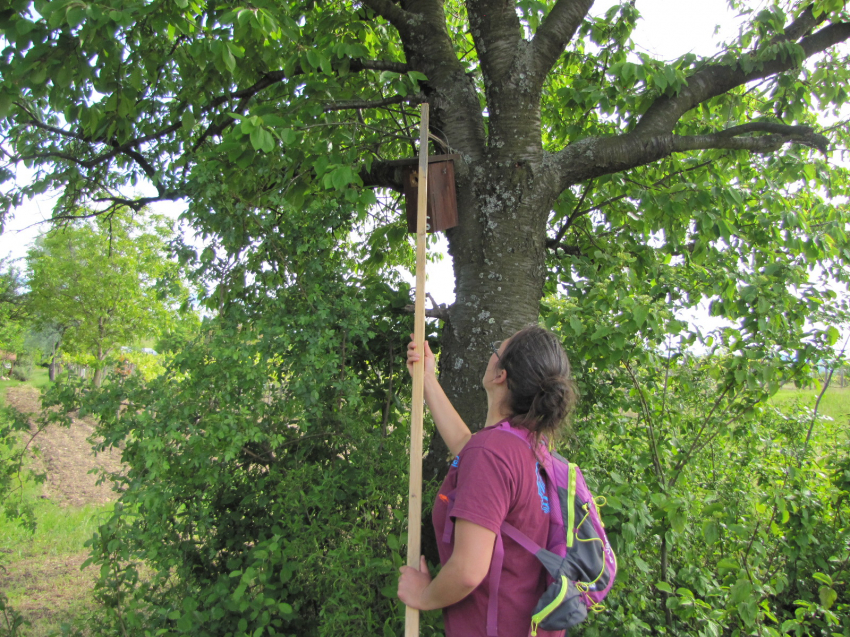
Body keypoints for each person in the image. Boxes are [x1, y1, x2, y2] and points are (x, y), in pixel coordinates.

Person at [398, 326, 577, 637]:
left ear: (500, 375)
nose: (490, 354)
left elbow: (468, 571)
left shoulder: (492, 452)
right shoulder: (532, 448)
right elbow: (468, 446)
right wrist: (426, 379)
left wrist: (422, 596)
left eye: (496, 349)